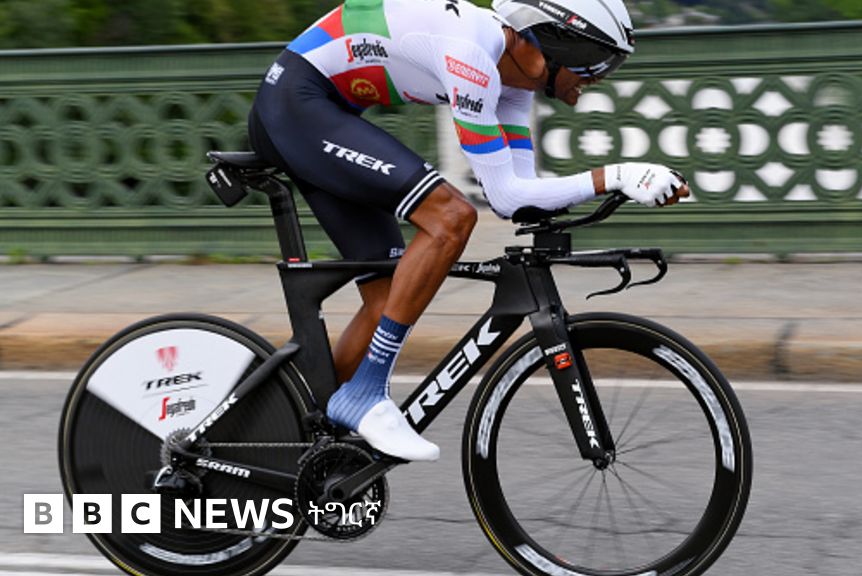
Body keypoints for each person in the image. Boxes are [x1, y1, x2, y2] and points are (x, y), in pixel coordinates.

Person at [247, 0, 690, 462]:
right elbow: (504, 197)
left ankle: (301, 434)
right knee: (451, 218)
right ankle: (366, 394)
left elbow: (521, 195)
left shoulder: (513, 85)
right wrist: (616, 175)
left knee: (392, 296)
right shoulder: (472, 56)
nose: (595, 80)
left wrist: (617, 185)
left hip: (325, 111)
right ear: (557, 43)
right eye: (597, 63)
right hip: (296, 103)